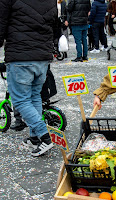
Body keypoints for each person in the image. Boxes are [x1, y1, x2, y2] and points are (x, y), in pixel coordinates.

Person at [0, 0, 58, 156]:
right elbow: (55, 24)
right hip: (43, 57)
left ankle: (45, 138)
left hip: (20, 56)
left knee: (20, 100)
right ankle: (35, 137)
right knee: (34, 96)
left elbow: (1, 23)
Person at [10, 65, 57, 132]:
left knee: (18, 97)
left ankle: (19, 121)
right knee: (39, 96)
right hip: (43, 75)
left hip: (29, 76)